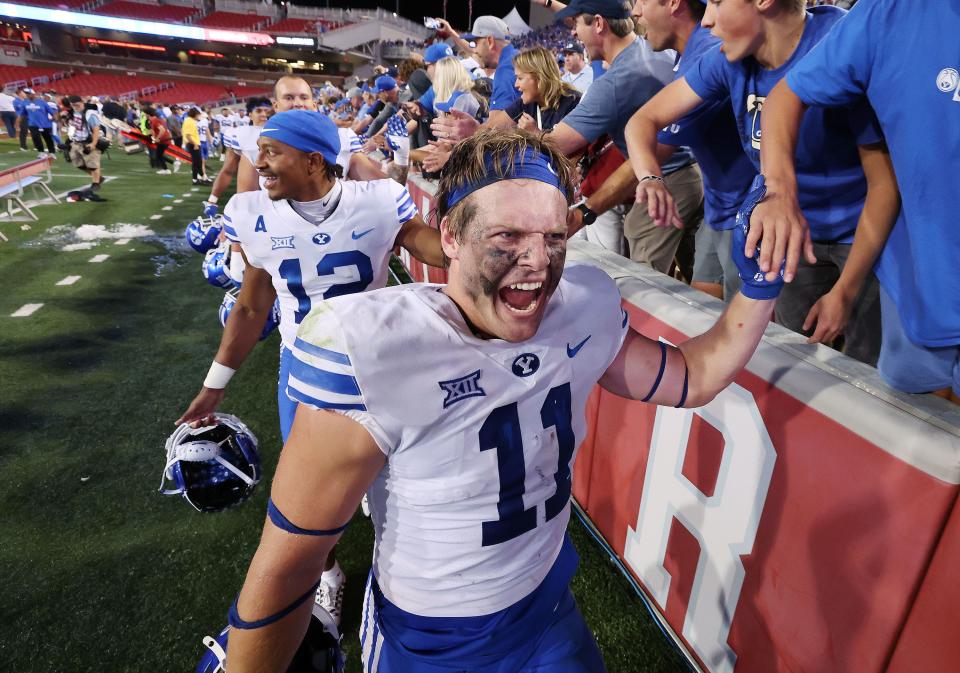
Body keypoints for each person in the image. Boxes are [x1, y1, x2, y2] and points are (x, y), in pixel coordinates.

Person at [221, 128, 778, 672]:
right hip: (433, 642)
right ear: (451, 239)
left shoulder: (580, 307)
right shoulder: (374, 348)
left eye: (554, 238)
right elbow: (292, 564)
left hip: (548, 607)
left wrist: (759, 286)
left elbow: (690, 377)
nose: (538, 262)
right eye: (508, 237)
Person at [176, 111, 445, 627]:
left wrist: (469, 246)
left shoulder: (380, 199)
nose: (261, 163)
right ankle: (330, 576)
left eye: (274, 152)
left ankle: (400, 580)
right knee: (303, 502)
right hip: (306, 367)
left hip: (381, 362)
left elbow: (420, 240)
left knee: (403, 487)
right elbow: (252, 308)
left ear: (314, 160)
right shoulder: (250, 212)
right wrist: (214, 387)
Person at [624, 0, 895, 365]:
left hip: (865, 233)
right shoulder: (727, 59)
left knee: (872, 372)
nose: (706, 19)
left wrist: (845, 291)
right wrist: (650, 177)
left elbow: (885, 184)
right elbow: (643, 120)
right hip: (789, 236)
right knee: (792, 361)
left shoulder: (841, 45)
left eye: (717, 2)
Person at [754, 0, 959, 400]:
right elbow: (785, 96)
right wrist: (777, 191)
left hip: (870, 247)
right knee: (914, 437)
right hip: (915, 291)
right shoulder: (888, 12)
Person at [632, 0, 755, 300]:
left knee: (761, 337)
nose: (634, 11)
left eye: (641, 1)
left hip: (750, 217)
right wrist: (649, 178)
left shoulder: (709, 51)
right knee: (707, 316)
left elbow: (656, 144)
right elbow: (642, 123)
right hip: (721, 208)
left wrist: (589, 210)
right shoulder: (701, 55)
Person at [506, 46, 581, 132]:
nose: (516, 85)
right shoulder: (525, 102)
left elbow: (567, 144)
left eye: (520, 78)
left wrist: (535, 133)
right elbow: (495, 126)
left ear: (539, 78)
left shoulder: (573, 102)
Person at [64, 95, 106, 202]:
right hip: (76, 141)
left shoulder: (89, 114)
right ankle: (99, 177)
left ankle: (96, 183)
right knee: (77, 163)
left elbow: (96, 129)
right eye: (73, 105)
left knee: (93, 164)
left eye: (77, 105)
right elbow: (73, 127)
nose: (75, 107)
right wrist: (68, 141)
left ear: (82, 102)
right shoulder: (72, 113)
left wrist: (93, 144)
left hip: (88, 142)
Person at [24, 88, 56, 156]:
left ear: (33, 94)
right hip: (32, 124)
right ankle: (41, 152)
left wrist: (53, 118)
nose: (27, 95)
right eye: (26, 94)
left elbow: (52, 112)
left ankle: (52, 152)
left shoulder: (42, 102)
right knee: (35, 138)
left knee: (48, 138)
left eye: (28, 94)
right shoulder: (25, 102)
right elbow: (23, 113)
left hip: (44, 124)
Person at [148, 106, 178, 175]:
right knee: (159, 155)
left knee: (158, 155)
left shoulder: (154, 120)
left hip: (163, 140)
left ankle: (166, 169)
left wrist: (157, 138)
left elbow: (162, 130)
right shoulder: (157, 119)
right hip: (165, 140)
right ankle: (172, 164)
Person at [182, 108, 208, 185]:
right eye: (198, 114)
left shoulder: (190, 121)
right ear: (195, 114)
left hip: (193, 143)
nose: (199, 116)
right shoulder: (190, 122)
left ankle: (197, 179)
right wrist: (195, 144)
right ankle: (203, 178)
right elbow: (188, 135)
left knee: (196, 162)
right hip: (193, 144)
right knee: (198, 162)